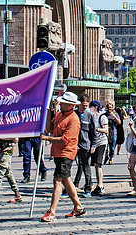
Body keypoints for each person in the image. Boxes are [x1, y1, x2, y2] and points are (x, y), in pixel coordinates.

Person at [40, 92, 85, 222]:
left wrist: (47, 138)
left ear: (70, 105)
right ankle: (78, 206)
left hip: (66, 153)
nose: (61, 103)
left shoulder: (74, 119)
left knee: (58, 180)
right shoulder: (60, 114)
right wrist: (48, 113)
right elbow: (50, 128)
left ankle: (52, 211)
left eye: (64, 102)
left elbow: (65, 140)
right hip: (58, 153)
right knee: (66, 180)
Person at [73, 94, 99, 198]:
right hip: (74, 144)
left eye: (86, 105)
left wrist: (93, 145)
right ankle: (71, 187)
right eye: (83, 105)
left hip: (85, 145)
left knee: (86, 167)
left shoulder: (89, 115)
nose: (85, 107)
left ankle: (88, 188)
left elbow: (93, 132)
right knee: (70, 166)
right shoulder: (74, 114)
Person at [91, 100, 109, 196]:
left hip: (101, 142)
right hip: (93, 143)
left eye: (92, 106)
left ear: (96, 107)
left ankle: (100, 185)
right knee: (94, 164)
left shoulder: (102, 117)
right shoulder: (91, 117)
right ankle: (95, 184)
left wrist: (96, 129)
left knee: (98, 164)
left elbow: (106, 130)